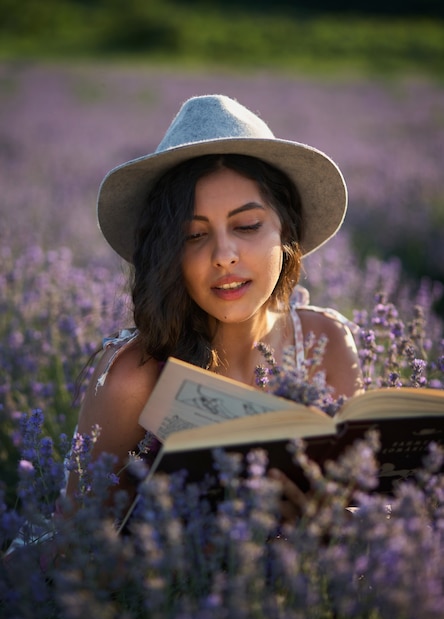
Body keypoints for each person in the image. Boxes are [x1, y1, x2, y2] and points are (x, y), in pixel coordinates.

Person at [66, 94, 363, 509]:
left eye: (247, 225)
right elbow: (77, 545)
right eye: (194, 235)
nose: (224, 255)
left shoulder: (328, 343)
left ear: (286, 231)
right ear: (168, 253)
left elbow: (362, 503)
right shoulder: (135, 378)